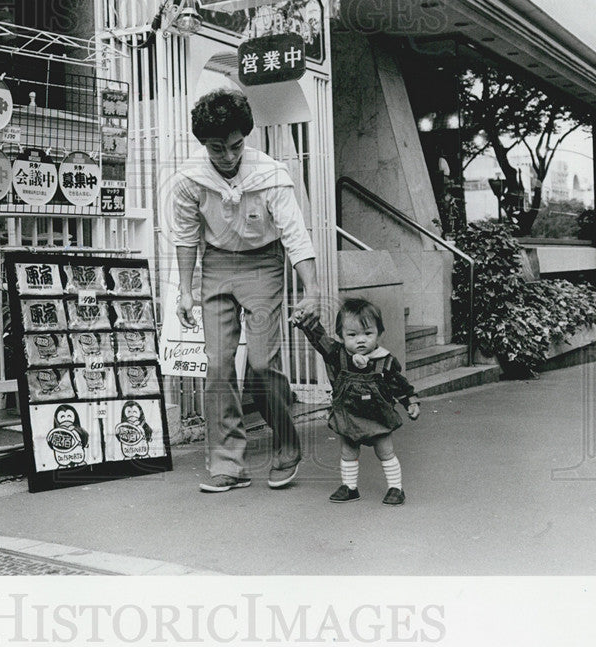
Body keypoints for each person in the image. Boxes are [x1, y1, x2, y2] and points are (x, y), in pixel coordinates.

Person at [169, 88, 320, 493]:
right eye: (217, 148)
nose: (228, 156)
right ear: (204, 143)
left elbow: (295, 235)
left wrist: (313, 291)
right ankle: (227, 463)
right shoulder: (189, 179)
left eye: (236, 146)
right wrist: (186, 290)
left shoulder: (270, 175)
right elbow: (186, 236)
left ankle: (286, 447)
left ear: (245, 138)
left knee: (260, 363)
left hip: (262, 264)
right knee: (217, 364)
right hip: (216, 263)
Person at [294, 298, 420, 505]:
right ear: (341, 336)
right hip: (349, 414)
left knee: (385, 451)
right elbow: (320, 340)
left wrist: (411, 402)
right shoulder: (338, 355)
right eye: (352, 335)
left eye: (368, 334)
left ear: (379, 333)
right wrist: (306, 322)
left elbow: (399, 385)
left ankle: (396, 488)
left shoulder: (384, 360)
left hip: (377, 415)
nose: (360, 340)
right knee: (348, 451)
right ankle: (350, 487)